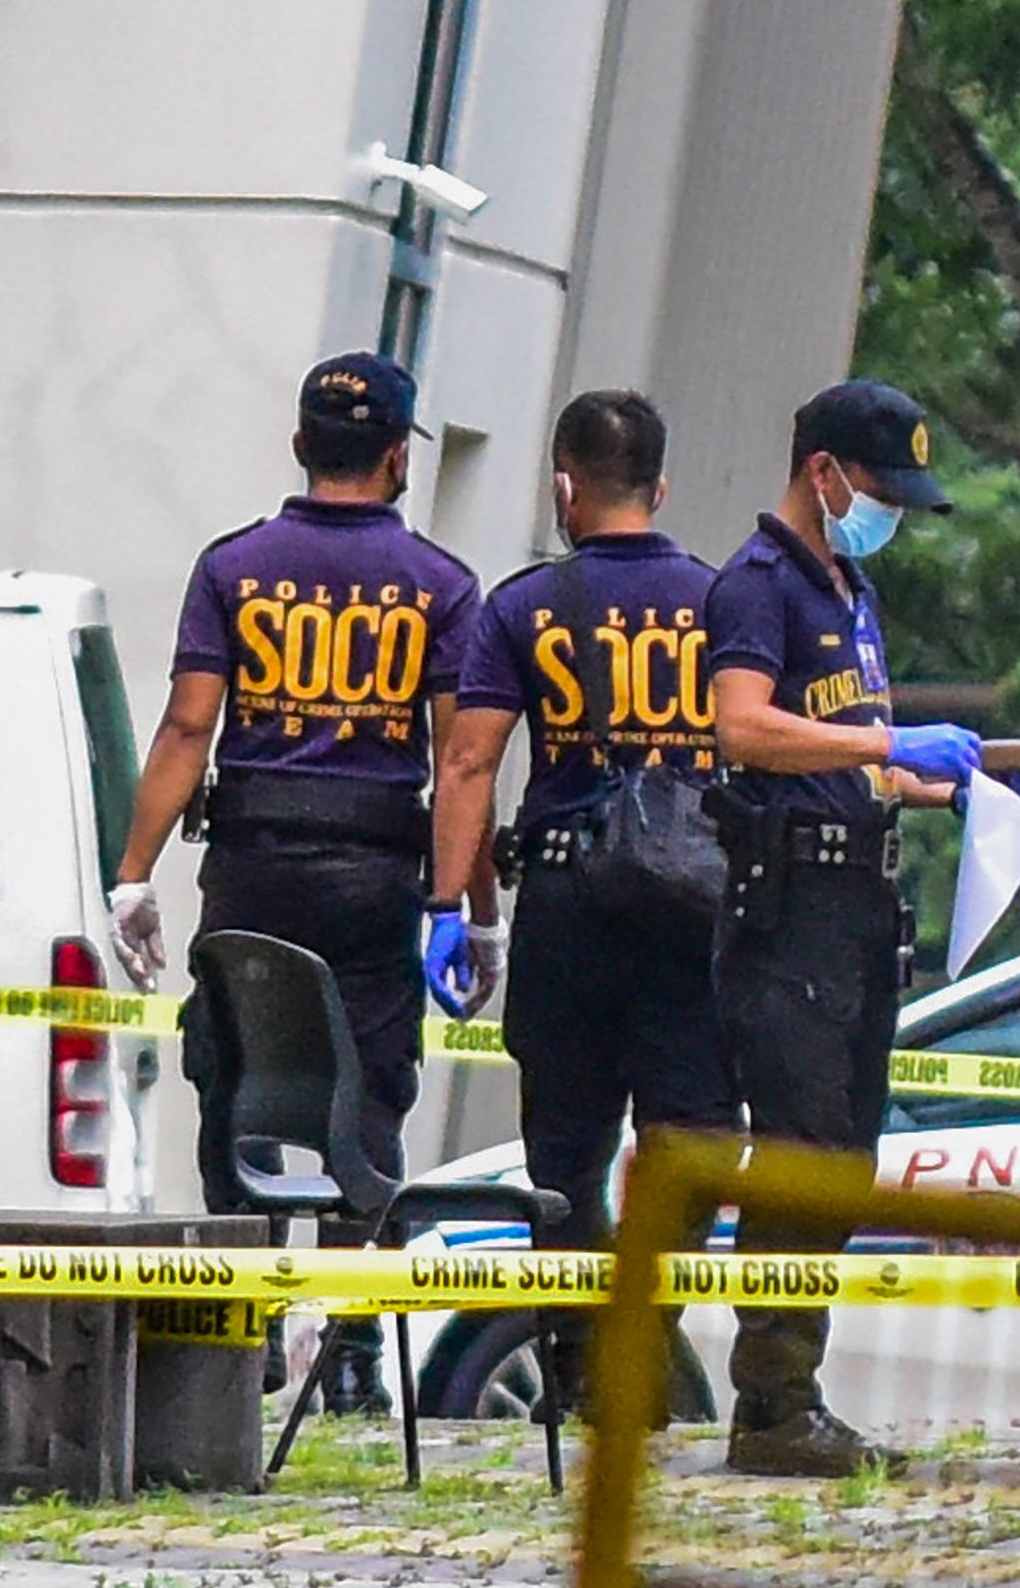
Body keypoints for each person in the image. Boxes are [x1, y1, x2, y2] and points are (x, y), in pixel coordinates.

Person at [105, 351, 481, 1417]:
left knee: (239, 1079)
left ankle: (249, 1328)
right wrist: (455, 903)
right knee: (367, 1094)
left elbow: (189, 725)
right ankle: (351, 1344)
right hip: (374, 868)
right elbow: (460, 759)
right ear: (399, 453)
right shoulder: (442, 586)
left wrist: (134, 872)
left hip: (254, 862)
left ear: (301, 444)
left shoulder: (234, 567)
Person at [428, 389, 739, 1424]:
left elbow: (470, 758)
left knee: (567, 1148)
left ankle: (576, 1367)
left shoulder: (522, 606)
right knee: (689, 1134)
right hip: (696, 901)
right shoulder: (722, 598)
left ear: (566, 483)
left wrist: (455, 909)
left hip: (568, 900)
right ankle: (642, 1340)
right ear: (661, 486)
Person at [700, 380, 984, 1478]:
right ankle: (769, 1404)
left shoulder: (848, 587)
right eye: (877, 485)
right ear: (822, 471)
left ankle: (796, 1391)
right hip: (792, 915)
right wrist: (885, 748)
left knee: (844, 1160)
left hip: (859, 900)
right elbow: (742, 725)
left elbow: (845, 752)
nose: (888, 509)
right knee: (802, 1156)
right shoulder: (759, 584)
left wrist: (926, 782)